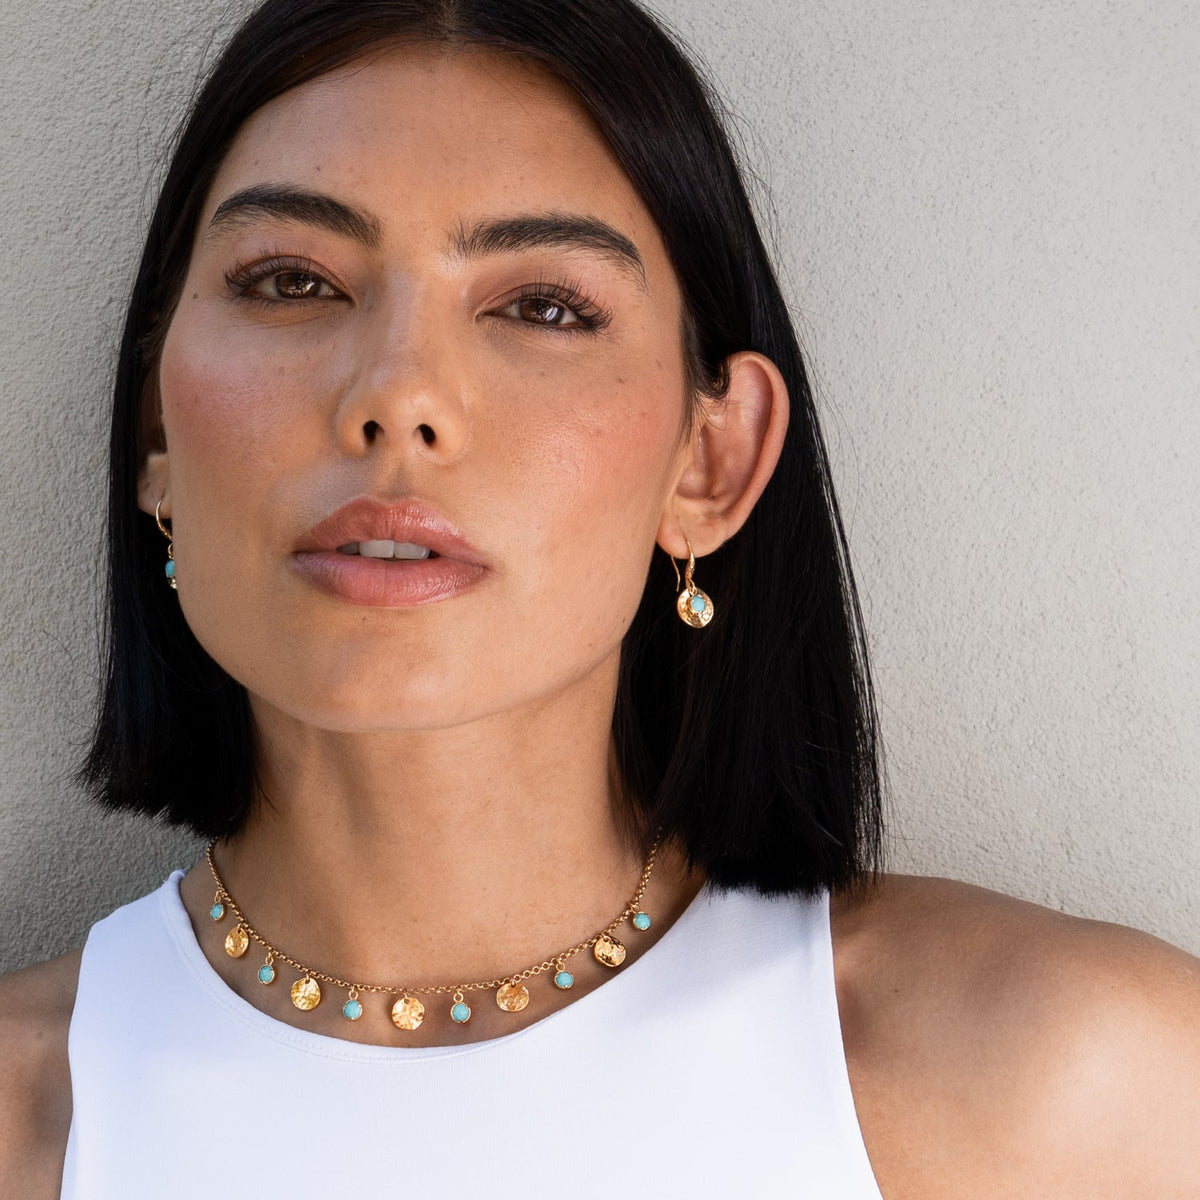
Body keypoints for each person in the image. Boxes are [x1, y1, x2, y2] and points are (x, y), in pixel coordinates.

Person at [1, 0, 1197, 1195]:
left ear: (711, 460)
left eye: (544, 307)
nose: (397, 396)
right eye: (291, 281)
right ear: (156, 435)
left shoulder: (1077, 1090)